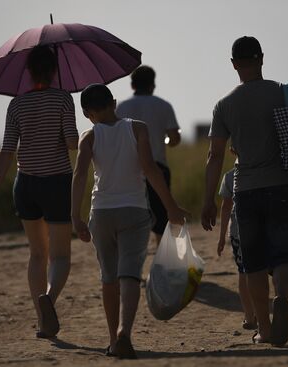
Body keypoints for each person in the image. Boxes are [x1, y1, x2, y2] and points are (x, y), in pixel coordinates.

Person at [201, 36, 288, 345]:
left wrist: (209, 199)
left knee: (254, 264)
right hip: (283, 186)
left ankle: (264, 329)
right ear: (262, 58)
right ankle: (283, 298)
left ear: (234, 64)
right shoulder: (284, 93)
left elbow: (215, 156)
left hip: (246, 191)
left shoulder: (224, 104)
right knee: (286, 253)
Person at [72, 84, 187, 359]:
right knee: (130, 275)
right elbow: (150, 169)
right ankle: (125, 332)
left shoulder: (88, 137)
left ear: (87, 113)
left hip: (101, 212)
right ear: (114, 103)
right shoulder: (137, 128)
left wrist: (75, 218)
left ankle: (113, 340)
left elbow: (79, 176)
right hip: (134, 210)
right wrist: (171, 206)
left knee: (108, 277)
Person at [0, 45, 78, 338]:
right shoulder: (63, 99)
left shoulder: (16, 104)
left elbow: (7, 151)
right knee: (60, 256)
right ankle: (48, 298)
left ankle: (42, 320)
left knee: (37, 254)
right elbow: (73, 142)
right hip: (57, 182)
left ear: (28, 71)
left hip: (25, 185)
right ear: (54, 70)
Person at [116, 66, 181, 243]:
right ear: (153, 84)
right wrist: (165, 140)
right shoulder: (163, 105)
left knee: (133, 214)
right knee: (161, 216)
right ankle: (161, 253)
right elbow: (174, 138)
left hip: (129, 169)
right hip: (157, 165)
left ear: (132, 85)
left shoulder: (122, 107)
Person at [217, 163, 257, 331]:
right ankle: (264, 312)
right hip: (260, 229)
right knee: (260, 271)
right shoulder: (262, 173)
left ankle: (249, 315)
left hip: (238, 231)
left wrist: (221, 237)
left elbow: (226, 208)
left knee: (243, 273)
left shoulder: (229, 176)